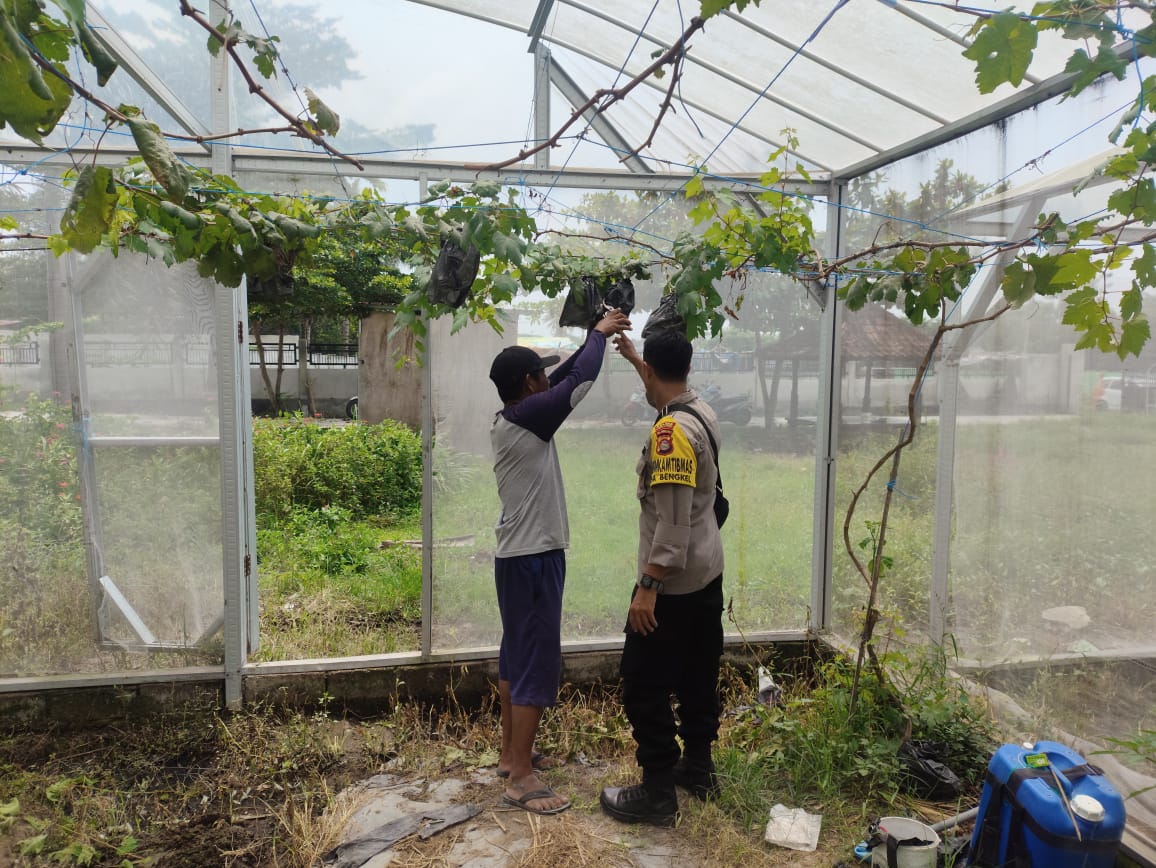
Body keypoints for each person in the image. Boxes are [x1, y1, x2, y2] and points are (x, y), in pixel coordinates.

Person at [488, 308, 632, 816]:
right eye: (541, 373)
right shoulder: (531, 417)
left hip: (516, 557)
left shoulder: (515, 415)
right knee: (535, 661)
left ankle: (512, 756)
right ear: (529, 384)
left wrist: (591, 336)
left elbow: (568, 372)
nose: (548, 377)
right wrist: (599, 335)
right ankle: (521, 780)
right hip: (534, 558)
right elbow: (580, 380)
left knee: (516, 655)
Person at [600, 329, 725, 827]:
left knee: (642, 684)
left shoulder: (669, 435)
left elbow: (671, 530)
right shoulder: (701, 410)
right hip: (706, 577)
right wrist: (637, 359)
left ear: (653, 370)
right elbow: (662, 392)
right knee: (697, 674)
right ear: (687, 368)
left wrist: (647, 588)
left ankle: (657, 791)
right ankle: (698, 768)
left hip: (670, 584)